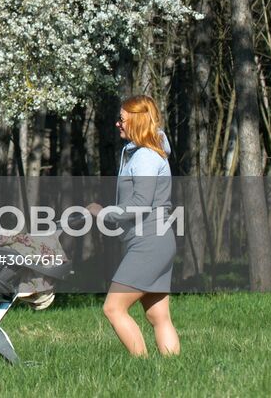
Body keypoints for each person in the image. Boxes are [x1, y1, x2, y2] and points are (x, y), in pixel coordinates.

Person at [87, 94, 181, 357]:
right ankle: (173, 372)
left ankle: (142, 365)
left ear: (137, 121)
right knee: (158, 314)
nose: (118, 124)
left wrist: (104, 214)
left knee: (113, 308)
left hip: (149, 242)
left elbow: (140, 203)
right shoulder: (144, 153)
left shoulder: (145, 157)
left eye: (122, 119)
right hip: (157, 240)